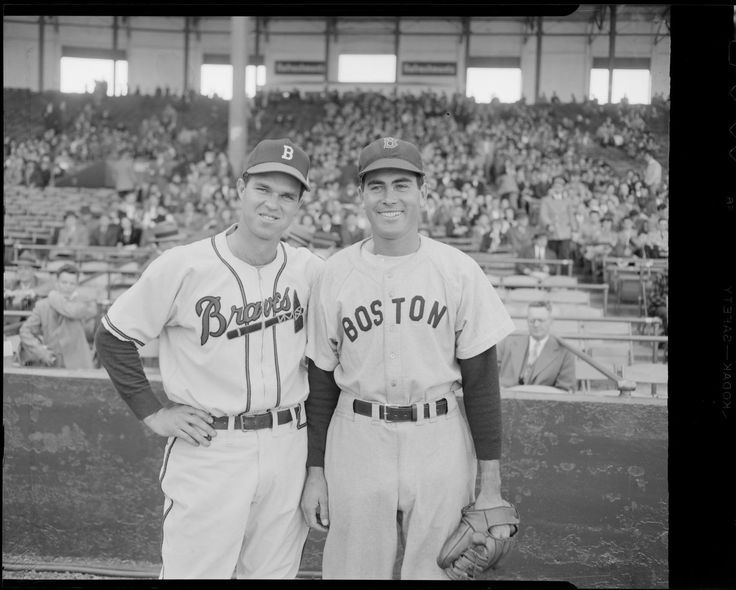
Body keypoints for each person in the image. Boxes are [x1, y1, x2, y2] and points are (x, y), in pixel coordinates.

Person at [94, 138, 324, 579]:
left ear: (297, 206)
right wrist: (153, 413)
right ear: (240, 188)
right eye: (263, 189)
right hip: (213, 445)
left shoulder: (310, 270)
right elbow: (113, 336)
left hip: (287, 443)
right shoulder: (183, 266)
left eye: (287, 195)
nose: (273, 204)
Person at [300, 137, 516, 579]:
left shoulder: (457, 270)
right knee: (351, 571)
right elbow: (320, 383)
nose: (389, 197)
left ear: (422, 191)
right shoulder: (334, 274)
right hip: (357, 435)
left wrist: (490, 487)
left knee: (436, 571)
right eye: (376, 186)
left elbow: (481, 382)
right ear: (361, 195)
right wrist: (315, 471)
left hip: (439, 436)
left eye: (402, 184)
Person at [19, 263, 97, 369]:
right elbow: (25, 331)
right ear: (57, 283)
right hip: (52, 362)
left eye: (72, 283)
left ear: (77, 284)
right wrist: (41, 352)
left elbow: (73, 311)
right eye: (64, 282)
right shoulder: (43, 305)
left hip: (80, 365)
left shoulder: (85, 302)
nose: (68, 287)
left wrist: (54, 297)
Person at [496, 300, 576, 393]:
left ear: (551, 321)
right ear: (527, 320)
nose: (536, 325)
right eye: (532, 320)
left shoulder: (565, 352)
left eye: (541, 320)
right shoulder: (507, 343)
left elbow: (565, 391)